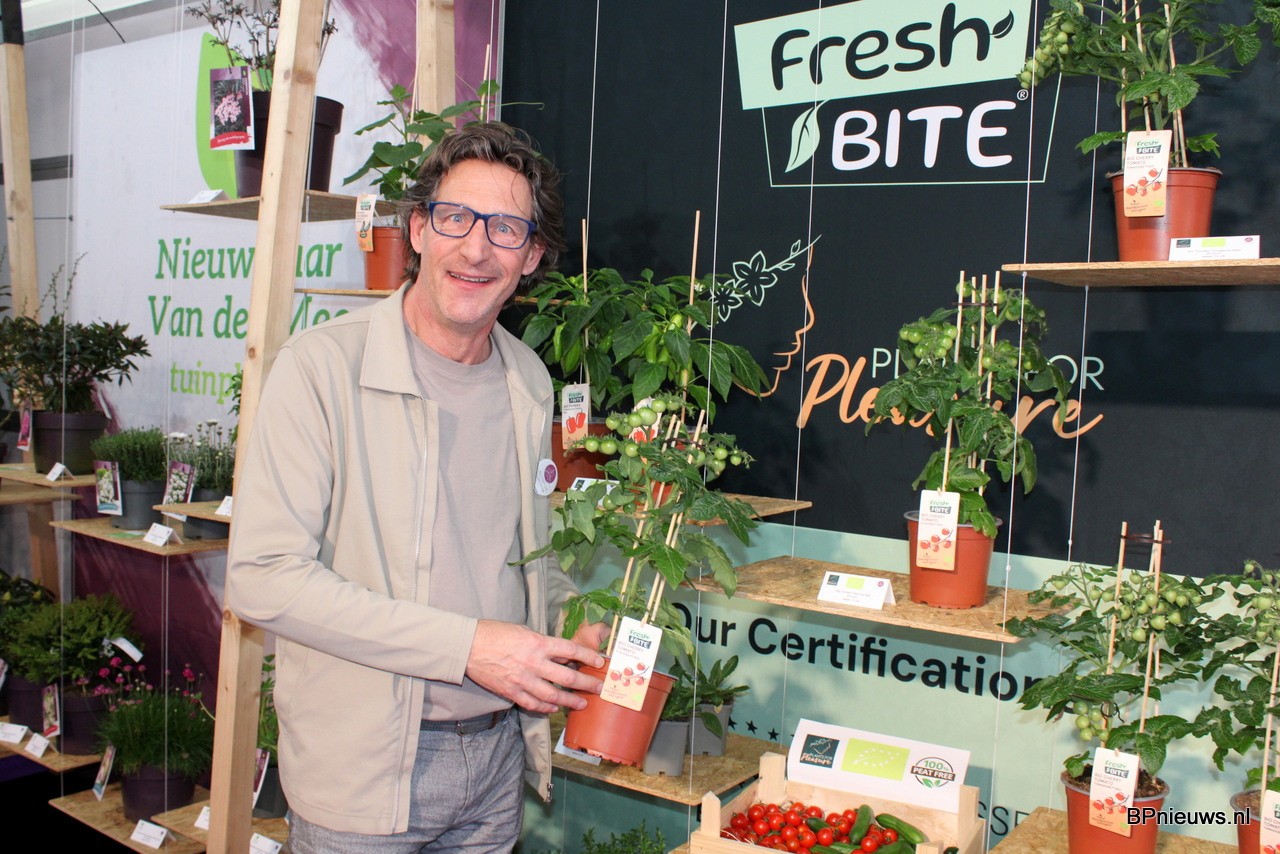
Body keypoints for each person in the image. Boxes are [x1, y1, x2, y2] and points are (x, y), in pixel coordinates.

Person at [226, 123, 607, 852]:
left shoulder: (527, 377)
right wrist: (466, 647)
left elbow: (520, 555)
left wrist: (574, 620)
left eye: (505, 229)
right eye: (455, 217)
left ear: (531, 257)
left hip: (496, 755)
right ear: (419, 230)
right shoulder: (321, 369)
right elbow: (263, 578)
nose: (476, 249)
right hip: (364, 767)